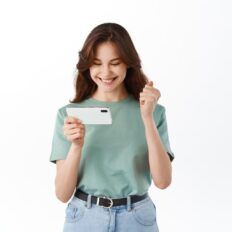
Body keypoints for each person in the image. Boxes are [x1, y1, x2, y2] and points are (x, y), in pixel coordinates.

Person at [49, 22, 175, 232]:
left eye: (115, 62)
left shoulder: (153, 112)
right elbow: (62, 194)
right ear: (87, 65)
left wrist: (147, 119)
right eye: (97, 63)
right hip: (85, 218)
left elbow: (163, 181)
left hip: (137, 219)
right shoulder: (69, 115)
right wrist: (76, 146)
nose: (105, 72)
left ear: (128, 63)